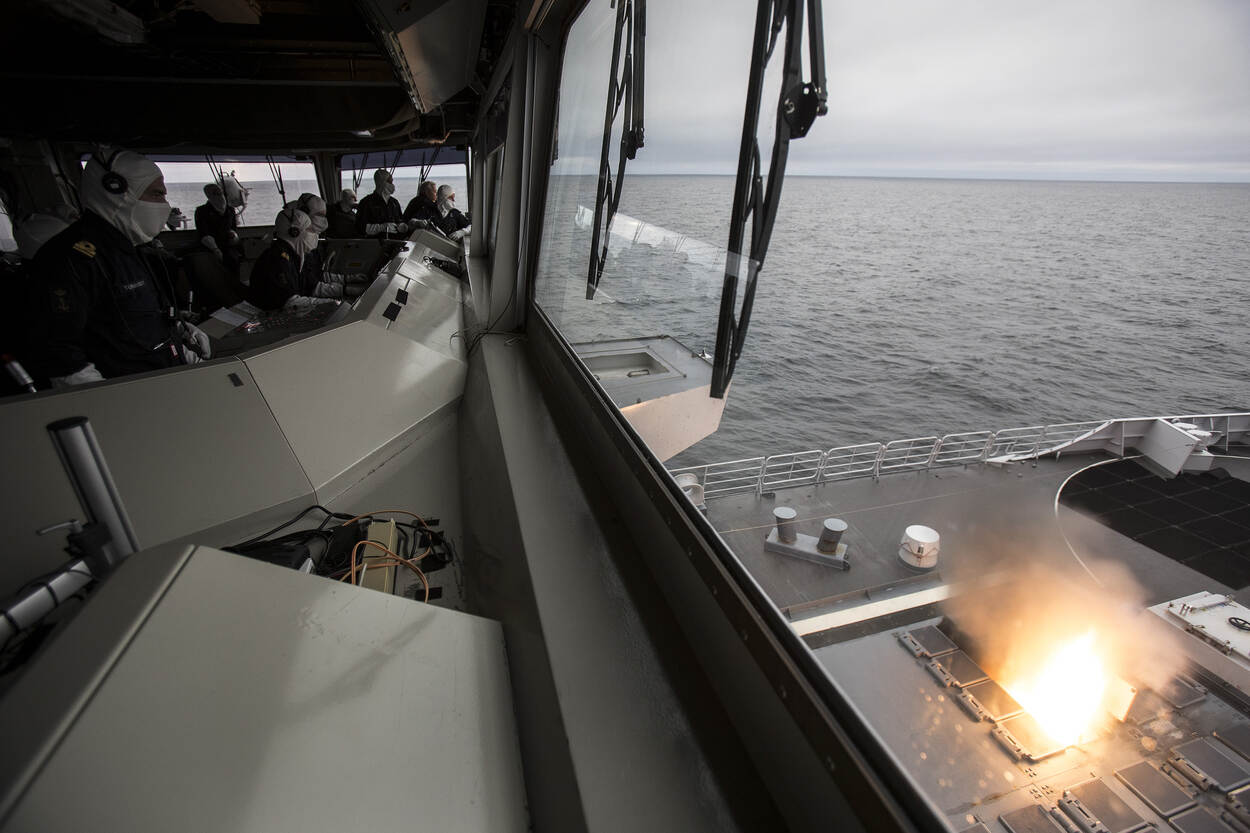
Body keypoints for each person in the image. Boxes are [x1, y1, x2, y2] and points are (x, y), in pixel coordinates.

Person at [28, 148, 210, 386]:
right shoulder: (71, 260)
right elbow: (61, 354)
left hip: (166, 376)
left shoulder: (130, 248)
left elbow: (140, 315)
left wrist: (180, 332)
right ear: (117, 191)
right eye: (157, 194)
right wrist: (105, 401)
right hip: (132, 393)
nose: (165, 205)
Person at [247, 207, 340, 311]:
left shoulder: (294, 256)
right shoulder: (277, 259)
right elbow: (289, 302)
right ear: (294, 232)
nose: (312, 234)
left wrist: (343, 290)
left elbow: (309, 287)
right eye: (309, 230)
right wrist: (335, 304)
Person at [194, 182, 241, 273]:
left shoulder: (230, 210)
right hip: (209, 247)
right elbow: (204, 233)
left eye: (221, 192)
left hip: (227, 245)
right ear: (209, 196)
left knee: (233, 260)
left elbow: (233, 228)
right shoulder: (202, 211)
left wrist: (233, 235)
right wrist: (215, 249)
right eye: (216, 193)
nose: (220, 195)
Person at [355, 169, 409, 239]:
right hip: (375, 244)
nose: (392, 185)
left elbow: (399, 220)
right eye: (389, 182)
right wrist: (381, 228)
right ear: (381, 182)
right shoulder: (366, 203)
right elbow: (359, 227)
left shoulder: (394, 202)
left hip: (394, 243)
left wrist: (402, 225)